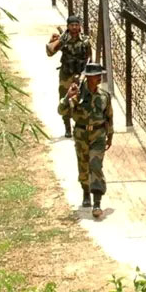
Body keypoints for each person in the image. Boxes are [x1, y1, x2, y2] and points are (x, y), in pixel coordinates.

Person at [58, 62, 114, 215]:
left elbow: (109, 116)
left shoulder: (104, 96)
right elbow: (61, 110)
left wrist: (110, 135)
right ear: (89, 78)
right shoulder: (78, 94)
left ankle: (97, 202)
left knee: (95, 164)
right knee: (83, 165)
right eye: (97, 76)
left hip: (98, 135)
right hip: (81, 134)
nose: (99, 78)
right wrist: (67, 96)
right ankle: (85, 193)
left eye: (100, 75)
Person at [46, 15, 92, 138]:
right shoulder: (63, 39)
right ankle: (67, 128)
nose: (74, 27)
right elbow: (50, 53)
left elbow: (89, 58)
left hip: (81, 75)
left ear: (80, 26)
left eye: (76, 25)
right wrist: (53, 41)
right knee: (65, 99)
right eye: (72, 25)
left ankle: (80, 126)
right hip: (66, 75)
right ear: (68, 26)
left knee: (82, 100)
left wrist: (84, 75)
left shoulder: (85, 40)